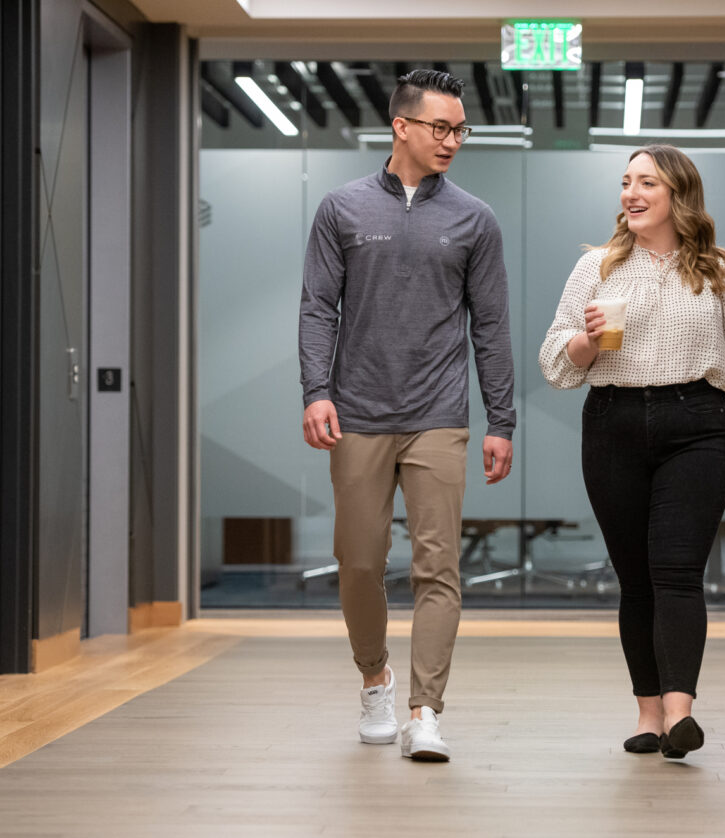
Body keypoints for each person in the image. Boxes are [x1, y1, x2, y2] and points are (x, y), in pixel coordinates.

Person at [298, 69, 515, 762]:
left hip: (439, 416)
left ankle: (425, 711)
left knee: (437, 567)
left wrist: (501, 420)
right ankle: (375, 679)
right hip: (357, 412)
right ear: (401, 127)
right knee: (358, 562)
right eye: (440, 128)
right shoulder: (342, 209)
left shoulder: (474, 219)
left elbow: (492, 326)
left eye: (460, 130)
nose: (453, 141)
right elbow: (315, 309)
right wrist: (315, 390)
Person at [539, 144, 725, 759]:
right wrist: (587, 344)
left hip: (696, 423)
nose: (631, 194)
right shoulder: (596, 268)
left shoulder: (719, 269)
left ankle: (679, 715)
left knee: (677, 572)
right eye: (625, 182)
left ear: (678, 194)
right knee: (636, 579)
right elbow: (554, 363)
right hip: (613, 423)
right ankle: (647, 714)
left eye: (646, 182)